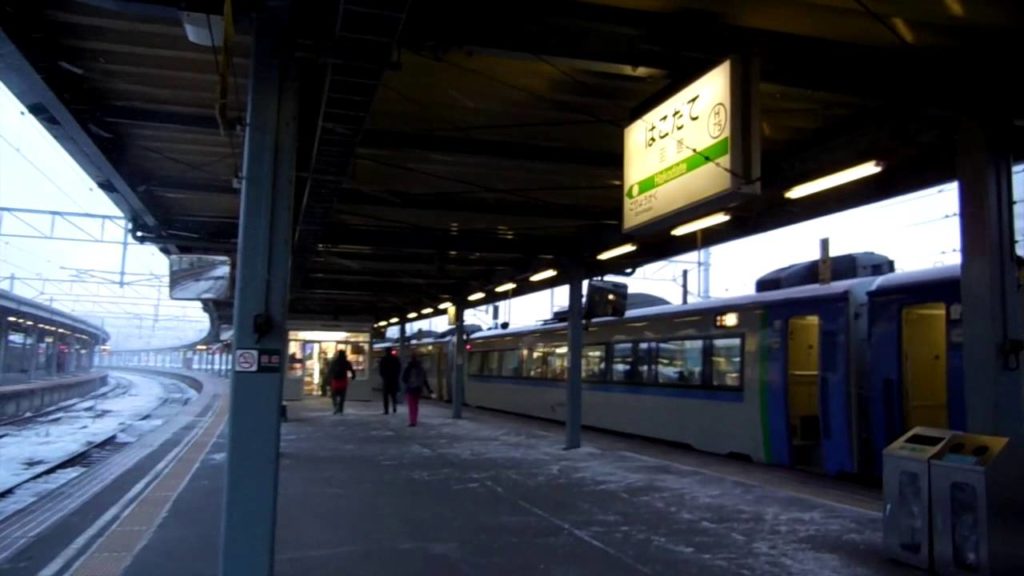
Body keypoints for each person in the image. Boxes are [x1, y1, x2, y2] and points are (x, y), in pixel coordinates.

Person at [401, 352, 433, 427]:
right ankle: (414, 419)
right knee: (415, 405)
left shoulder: (408, 368)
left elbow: (404, 379)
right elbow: (424, 380)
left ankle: (412, 421)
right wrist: (429, 390)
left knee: (411, 406)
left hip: (410, 388)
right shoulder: (421, 369)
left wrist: (408, 382)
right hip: (418, 389)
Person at [328, 350, 356, 414]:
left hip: (335, 381)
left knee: (334, 395)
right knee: (342, 396)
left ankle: (335, 406)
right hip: (343, 381)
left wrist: (329, 379)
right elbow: (351, 370)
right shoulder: (346, 362)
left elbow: (330, 371)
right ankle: (341, 409)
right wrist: (353, 376)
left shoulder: (334, 362)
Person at [379, 347, 401, 415]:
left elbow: (381, 369)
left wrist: (383, 376)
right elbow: (399, 368)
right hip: (394, 379)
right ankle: (394, 406)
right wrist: (396, 376)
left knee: (385, 396)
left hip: (386, 379)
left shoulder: (383, 359)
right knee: (393, 395)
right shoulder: (395, 359)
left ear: (386, 352)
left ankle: (386, 410)